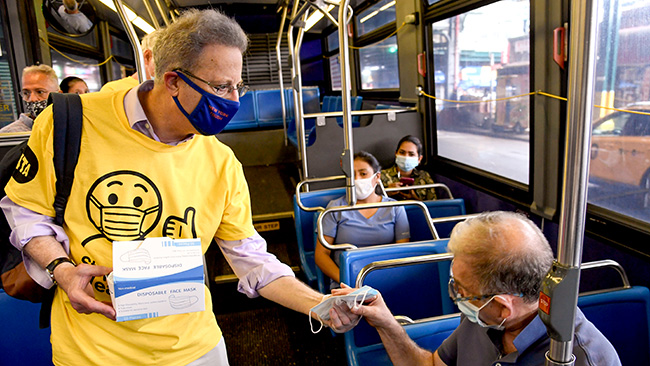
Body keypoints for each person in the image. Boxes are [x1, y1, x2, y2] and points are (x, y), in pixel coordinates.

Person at [0, 9, 359, 365]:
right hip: (93, 352)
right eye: (221, 87)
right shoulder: (71, 123)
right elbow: (27, 211)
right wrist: (60, 268)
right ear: (172, 80)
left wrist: (319, 305)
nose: (234, 101)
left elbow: (253, 260)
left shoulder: (221, 163)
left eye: (238, 86)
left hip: (193, 347)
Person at [339, 211, 622, 365]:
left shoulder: (583, 358)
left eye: (461, 290)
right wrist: (387, 323)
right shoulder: (483, 319)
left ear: (502, 306)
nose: (457, 298)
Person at [316, 151, 410, 288]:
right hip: (346, 283)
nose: (357, 179)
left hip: (387, 280)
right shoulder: (335, 208)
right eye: (352, 175)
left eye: (363, 174)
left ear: (377, 177)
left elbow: (403, 252)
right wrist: (347, 281)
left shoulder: (395, 208)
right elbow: (321, 255)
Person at [0, 64, 59, 133]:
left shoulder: (69, 127)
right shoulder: (9, 134)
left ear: (58, 94)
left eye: (40, 92)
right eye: (26, 93)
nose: (32, 99)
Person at [381, 135, 437, 201]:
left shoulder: (424, 176)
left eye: (411, 154)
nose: (406, 157)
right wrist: (386, 193)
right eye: (402, 153)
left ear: (419, 159)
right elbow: (372, 203)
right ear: (396, 154)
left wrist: (415, 199)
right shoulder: (381, 176)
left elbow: (433, 206)